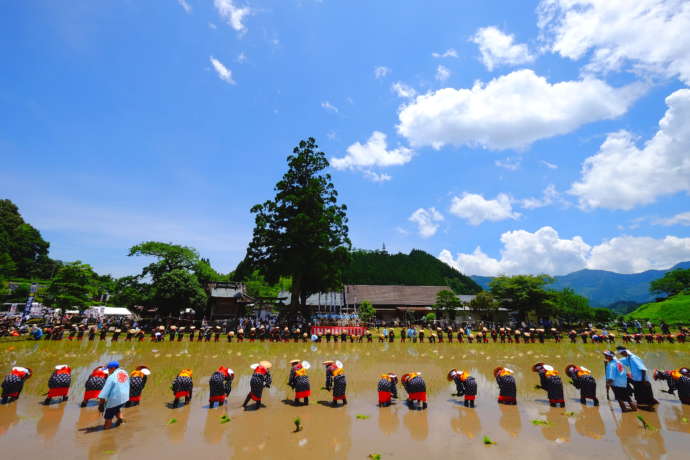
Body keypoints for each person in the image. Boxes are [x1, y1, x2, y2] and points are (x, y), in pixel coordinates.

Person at [617, 347, 658, 411]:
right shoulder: (629, 358)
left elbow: (643, 369)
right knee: (644, 397)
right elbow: (620, 361)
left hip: (641, 381)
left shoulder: (633, 358)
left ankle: (650, 409)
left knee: (647, 398)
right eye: (621, 354)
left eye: (622, 353)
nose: (622, 355)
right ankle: (648, 406)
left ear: (625, 352)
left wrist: (644, 381)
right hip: (636, 380)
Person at [97, 361, 129, 429]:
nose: (108, 371)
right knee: (117, 408)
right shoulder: (124, 372)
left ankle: (107, 429)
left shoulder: (111, 377)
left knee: (108, 416)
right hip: (124, 398)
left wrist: (101, 405)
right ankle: (121, 421)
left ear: (113, 368)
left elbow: (104, 393)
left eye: (109, 369)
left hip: (115, 399)